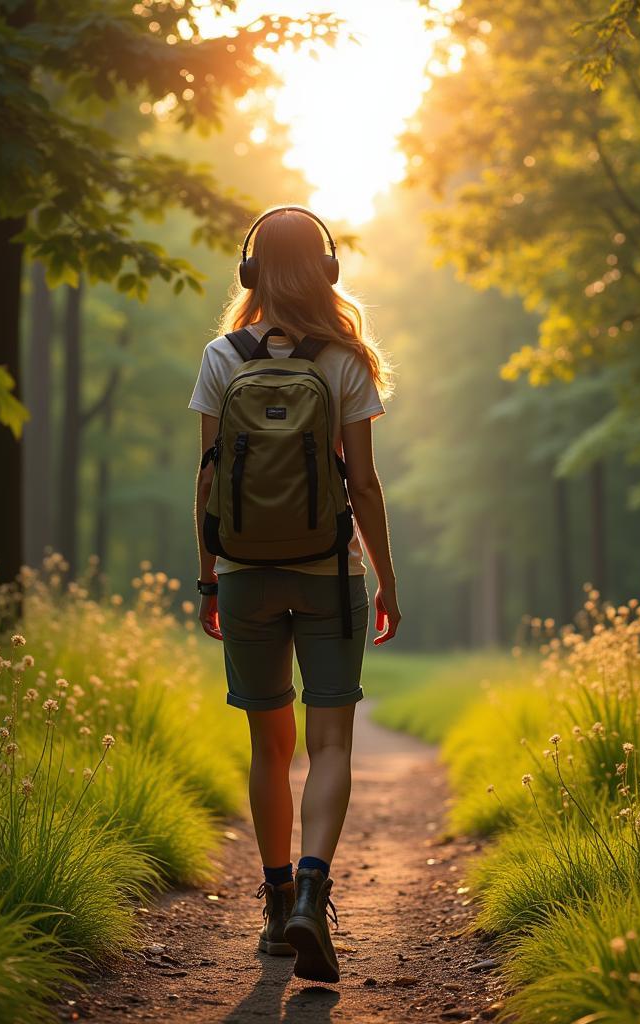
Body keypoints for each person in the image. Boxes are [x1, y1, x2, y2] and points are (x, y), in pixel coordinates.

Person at [189, 206, 401, 983]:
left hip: (243, 571)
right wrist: (384, 580)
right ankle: (314, 888)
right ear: (327, 269)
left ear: (250, 271)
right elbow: (366, 484)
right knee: (331, 742)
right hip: (329, 574)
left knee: (267, 747)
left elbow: (207, 481)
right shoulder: (346, 361)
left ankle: (277, 909)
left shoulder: (221, 356)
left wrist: (208, 579)